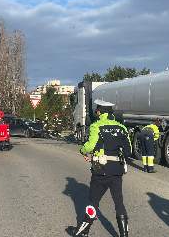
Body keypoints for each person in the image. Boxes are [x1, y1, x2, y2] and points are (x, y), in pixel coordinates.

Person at [73, 99, 131, 237]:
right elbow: (129, 151)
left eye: (97, 111)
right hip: (117, 170)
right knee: (119, 202)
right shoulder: (121, 127)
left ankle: (83, 232)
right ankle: (124, 235)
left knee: (93, 201)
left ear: (99, 112)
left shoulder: (96, 126)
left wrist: (83, 152)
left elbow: (90, 146)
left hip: (101, 170)